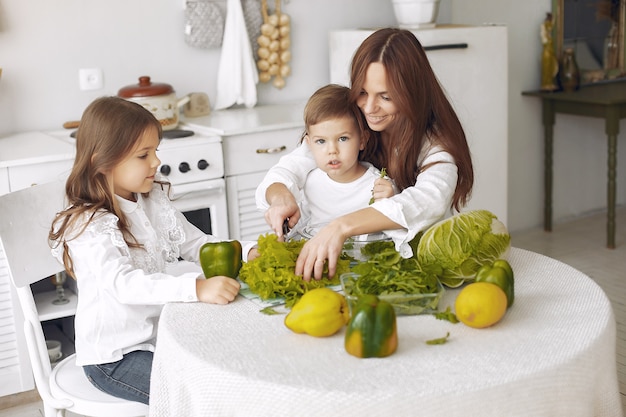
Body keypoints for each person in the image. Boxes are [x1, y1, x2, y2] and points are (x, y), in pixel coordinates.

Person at [48, 96, 258, 405]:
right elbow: (125, 285)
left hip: (162, 337)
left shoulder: (151, 199)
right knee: (201, 397)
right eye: (143, 155)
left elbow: (196, 244)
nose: (156, 162)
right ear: (101, 162)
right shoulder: (92, 226)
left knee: (231, 366)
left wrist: (247, 251)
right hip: (115, 358)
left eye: (155, 151)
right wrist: (197, 288)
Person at [255, 28, 473, 281]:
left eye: (386, 96)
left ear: (413, 94)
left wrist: (339, 227)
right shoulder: (350, 125)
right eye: (362, 92)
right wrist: (281, 198)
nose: (370, 108)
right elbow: (289, 169)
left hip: (419, 265)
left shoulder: (436, 146)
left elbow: (427, 201)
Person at [262, 84, 396, 237]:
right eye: (321, 141)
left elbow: (395, 224)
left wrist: (391, 198)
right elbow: (304, 225)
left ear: (362, 140)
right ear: (309, 144)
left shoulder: (378, 184)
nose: (332, 150)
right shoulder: (310, 180)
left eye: (342, 138)